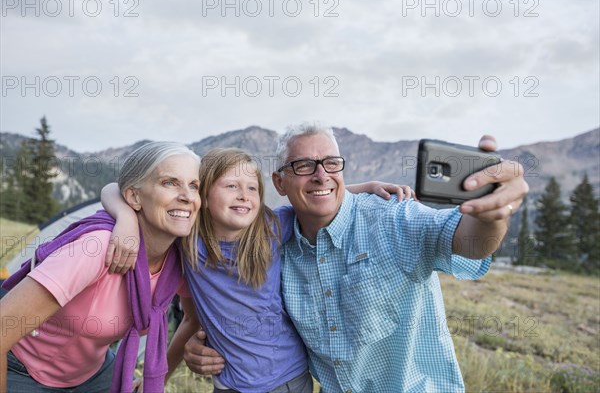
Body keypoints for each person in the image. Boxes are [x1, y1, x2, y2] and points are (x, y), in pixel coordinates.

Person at [186, 125, 529, 392]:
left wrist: (492, 214)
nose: (321, 174)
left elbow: (467, 241)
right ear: (280, 182)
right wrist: (199, 342)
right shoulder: (275, 243)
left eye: (331, 164)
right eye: (304, 166)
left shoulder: (394, 219)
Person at [101, 147, 415, 392]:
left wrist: (365, 187)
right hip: (231, 383)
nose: (244, 195)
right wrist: (126, 219)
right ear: (204, 195)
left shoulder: (273, 227)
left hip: (290, 378)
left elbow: (315, 199)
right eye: (231, 186)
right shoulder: (188, 238)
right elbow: (114, 189)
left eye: (252, 188)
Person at [0, 142, 203, 393]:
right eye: (169, 182)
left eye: (194, 186)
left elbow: (192, 319)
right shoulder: (96, 248)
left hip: (93, 373)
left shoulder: (180, 263)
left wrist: (158, 380)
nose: (187, 196)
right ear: (134, 197)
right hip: (22, 369)